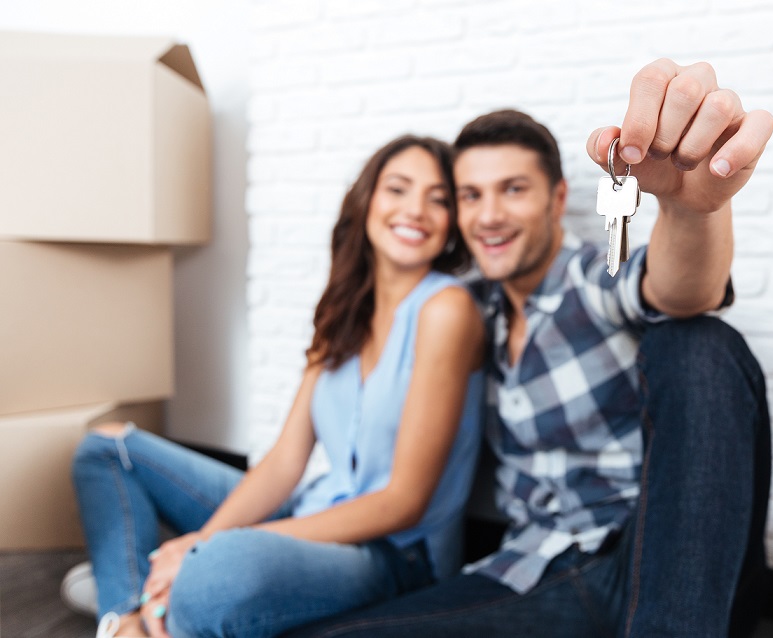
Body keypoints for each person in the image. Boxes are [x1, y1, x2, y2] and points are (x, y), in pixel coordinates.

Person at [284, 59, 773, 637]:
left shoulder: (589, 280)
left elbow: (677, 291)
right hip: (539, 572)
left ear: (557, 197)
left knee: (700, 342)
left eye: (513, 190)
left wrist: (689, 210)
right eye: (470, 195)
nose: (489, 215)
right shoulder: (463, 311)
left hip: (660, 559)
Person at [68, 135, 486, 638]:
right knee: (108, 448)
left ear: (452, 222)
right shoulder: (345, 308)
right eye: (397, 189)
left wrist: (205, 548)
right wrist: (205, 540)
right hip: (315, 508)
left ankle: (132, 587)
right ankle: (126, 620)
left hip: (394, 554)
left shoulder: (447, 310)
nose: (415, 209)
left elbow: (404, 502)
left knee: (219, 572)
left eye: (438, 198)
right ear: (367, 201)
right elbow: (286, 459)